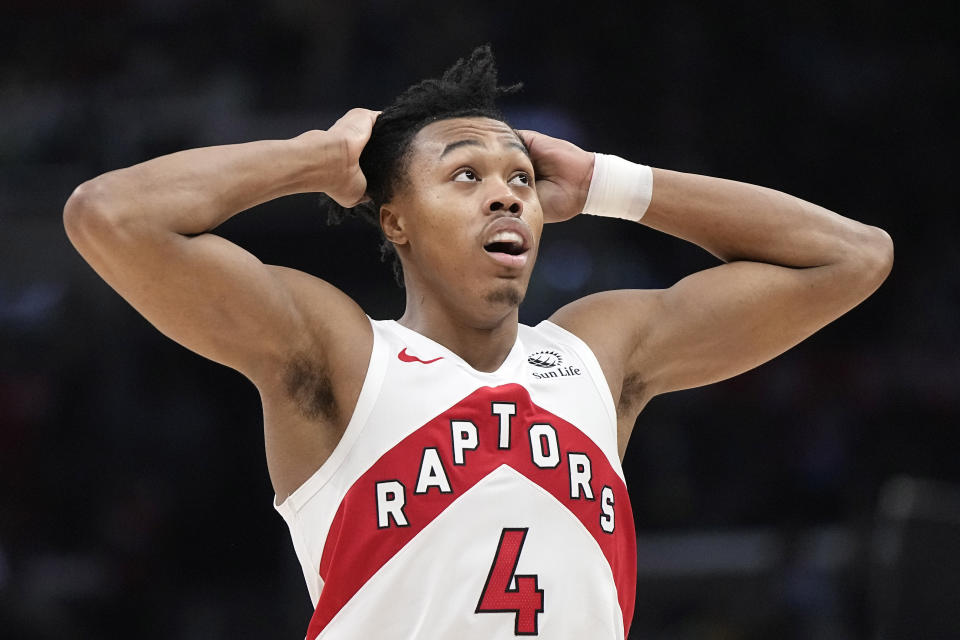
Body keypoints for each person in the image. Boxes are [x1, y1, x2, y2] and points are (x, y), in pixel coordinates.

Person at [63, 46, 893, 639]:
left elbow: (853, 257)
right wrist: (313, 159)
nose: (505, 196)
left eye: (521, 181)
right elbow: (109, 216)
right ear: (395, 220)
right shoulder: (344, 357)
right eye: (467, 175)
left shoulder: (596, 355)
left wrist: (611, 183)